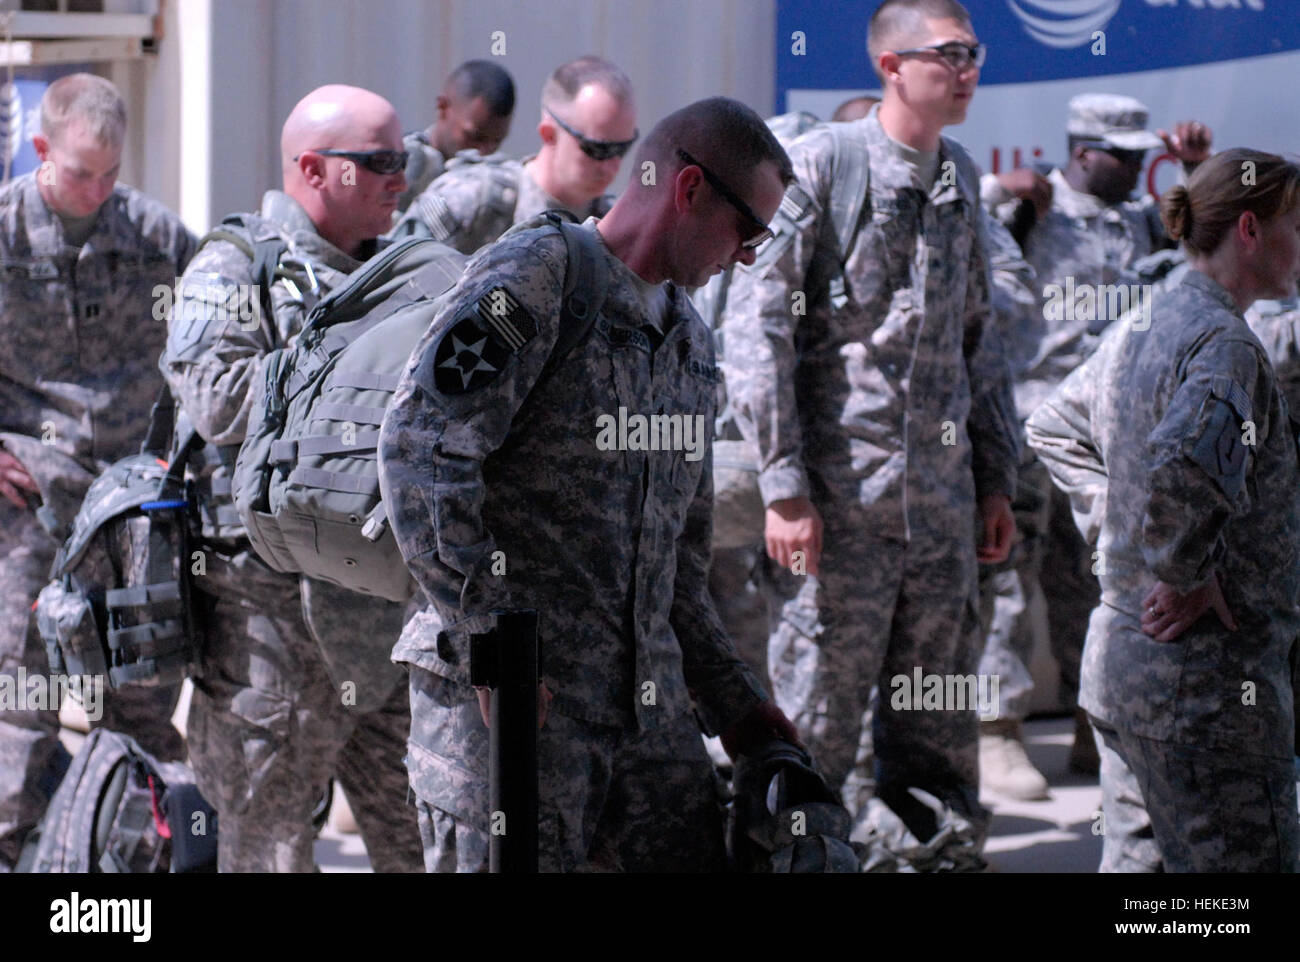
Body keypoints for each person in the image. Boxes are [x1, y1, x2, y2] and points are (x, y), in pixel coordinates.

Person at [379, 96, 799, 872]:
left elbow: (679, 569)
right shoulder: (538, 278)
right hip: (510, 718)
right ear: (690, 189)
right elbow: (421, 452)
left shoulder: (689, 343)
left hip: (644, 718)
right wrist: (492, 645)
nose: (747, 257)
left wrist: (736, 704)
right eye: (749, 231)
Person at [720, 0, 1019, 860]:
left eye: (975, 53)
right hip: (837, 515)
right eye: (952, 53)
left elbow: (979, 344)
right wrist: (782, 486)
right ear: (891, 64)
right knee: (815, 724)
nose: (969, 69)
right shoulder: (821, 167)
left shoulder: (959, 178)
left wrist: (994, 480)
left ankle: (932, 852)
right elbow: (758, 329)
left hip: (938, 518)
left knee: (936, 726)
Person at [159, 84, 423, 872]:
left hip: (386, 614)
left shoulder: (407, 269)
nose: (397, 180)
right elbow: (217, 397)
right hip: (270, 622)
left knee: (429, 842)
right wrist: (355, 375)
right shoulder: (236, 264)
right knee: (268, 851)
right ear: (312, 168)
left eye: (402, 160)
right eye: (376, 163)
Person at [1027, 148, 1300, 872]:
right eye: (1298, 224)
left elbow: (1053, 423)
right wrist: (1180, 572)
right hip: (1205, 694)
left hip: (1126, 677)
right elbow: (1184, 466)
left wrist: (1115, 522)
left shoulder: (1150, 316)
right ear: (1251, 228)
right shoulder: (1225, 343)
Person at [978, 95, 1213, 789]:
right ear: (1082, 151)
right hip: (1028, 423)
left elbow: (1206, 238)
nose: (1138, 164)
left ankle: (1095, 724)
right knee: (1009, 582)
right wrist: (1000, 192)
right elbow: (965, 230)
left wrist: (1194, 168)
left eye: (1145, 153)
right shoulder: (1031, 210)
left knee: (1101, 582)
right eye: (1124, 154)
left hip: (1111, 433)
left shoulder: (1144, 221)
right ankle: (996, 730)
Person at [0, 74, 196, 871]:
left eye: (112, 173)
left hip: (134, 507)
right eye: (82, 172)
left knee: (144, 696)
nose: (99, 190)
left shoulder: (154, 235)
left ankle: (136, 860)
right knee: (25, 694)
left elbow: (215, 347)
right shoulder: (5, 232)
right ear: (42, 149)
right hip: (33, 502)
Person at [389, 55, 637, 253]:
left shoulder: (616, 230)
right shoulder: (472, 198)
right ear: (549, 134)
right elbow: (391, 292)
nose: (612, 166)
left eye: (622, 149)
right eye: (597, 149)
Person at [395, 59, 516, 214]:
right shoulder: (404, 165)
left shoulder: (498, 181)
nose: (484, 152)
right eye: (475, 137)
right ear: (443, 107)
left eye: (496, 141)